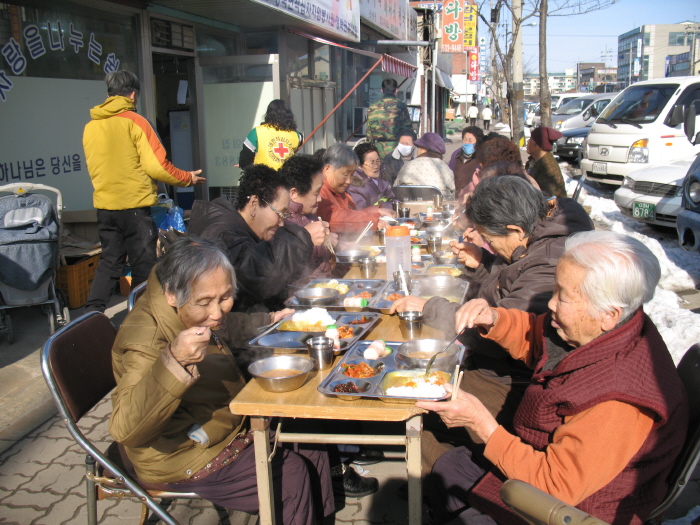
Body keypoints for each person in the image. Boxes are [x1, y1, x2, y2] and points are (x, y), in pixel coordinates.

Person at [422, 231, 688, 525]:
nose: (551, 304)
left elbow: (555, 486)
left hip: (574, 509)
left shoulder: (618, 399)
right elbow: (540, 338)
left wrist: (481, 424)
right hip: (540, 448)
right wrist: (494, 318)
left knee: (446, 474)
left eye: (564, 296)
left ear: (609, 314)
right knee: (443, 451)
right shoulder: (600, 327)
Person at [109, 237, 336, 525]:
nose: (216, 312)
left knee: (307, 429)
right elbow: (126, 429)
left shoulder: (190, 304)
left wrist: (269, 318)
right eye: (204, 302)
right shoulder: (145, 340)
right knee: (291, 476)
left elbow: (223, 326)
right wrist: (174, 362)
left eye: (225, 297)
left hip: (219, 422)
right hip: (181, 452)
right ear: (170, 294)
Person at [391, 176, 594, 469]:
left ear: (515, 229)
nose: (489, 244)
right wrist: (484, 264)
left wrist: (429, 307)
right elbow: (509, 286)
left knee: (425, 410)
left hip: (518, 378)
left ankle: (450, 487)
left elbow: (496, 333)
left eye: (490, 238)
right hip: (508, 366)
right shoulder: (536, 233)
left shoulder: (548, 262)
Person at [82, 70, 204, 313]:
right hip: (134, 208)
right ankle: (141, 318)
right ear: (133, 94)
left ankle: (90, 315)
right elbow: (157, 166)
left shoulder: (92, 126)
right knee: (144, 265)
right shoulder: (135, 121)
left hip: (105, 207)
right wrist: (186, 178)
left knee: (109, 262)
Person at [188, 164, 328, 312]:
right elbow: (253, 278)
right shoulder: (222, 232)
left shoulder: (245, 229)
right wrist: (303, 238)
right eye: (280, 213)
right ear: (254, 204)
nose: (281, 223)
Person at [278, 154, 339, 277]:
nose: (320, 199)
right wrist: (324, 245)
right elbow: (285, 262)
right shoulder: (282, 221)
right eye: (316, 193)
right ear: (294, 193)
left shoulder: (309, 216)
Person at [317, 143, 396, 233]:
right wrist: (372, 221)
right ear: (327, 169)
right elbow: (335, 217)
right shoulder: (320, 191)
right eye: (345, 174)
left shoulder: (338, 190)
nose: (349, 181)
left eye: (351, 175)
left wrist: (376, 210)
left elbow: (352, 213)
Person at [239, 99, 302, 170]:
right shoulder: (297, 135)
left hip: (264, 177)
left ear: (268, 114)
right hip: (287, 177)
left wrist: (245, 167)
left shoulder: (256, 132)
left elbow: (245, 158)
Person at [394, 132, 455, 197]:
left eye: (419, 147)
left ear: (424, 149)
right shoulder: (446, 169)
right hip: (440, 205)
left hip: (412, 205)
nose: (417, 150)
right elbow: (452, 193)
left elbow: (396, 188)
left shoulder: (408, 166)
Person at [366, 78, 412, 159]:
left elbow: (369, 134)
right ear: (396, 90)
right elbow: (407, 130)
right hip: (396, 148)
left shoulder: (372, 107)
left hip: (377, 149)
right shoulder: (401, 106)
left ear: (382, 90)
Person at [347, 143, 398, 210]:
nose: (376, 166)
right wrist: (381, 208)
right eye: (372, 163)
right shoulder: (353, 187)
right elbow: (361, 211)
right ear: (359, 166)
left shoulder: (382, 179)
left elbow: (394, 201)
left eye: (377, 161)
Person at [526, 126, 567, 199]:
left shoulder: (547, 166)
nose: (528, 141)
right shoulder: (534, 160)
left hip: (553, 207)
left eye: (531, 139)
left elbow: (550, 199)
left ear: (540, 145)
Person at [449, 126, 483, 197]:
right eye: (464, 139)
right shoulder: (456, 155)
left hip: (473, 197)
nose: (467, 143)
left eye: (470, 141)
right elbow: (449, 174)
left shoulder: (481, 157)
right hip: (456, 198)